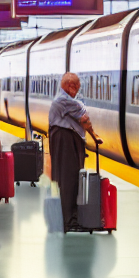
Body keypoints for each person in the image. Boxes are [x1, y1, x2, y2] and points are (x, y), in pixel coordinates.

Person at [48, 72, 98, 230]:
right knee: (70, 181)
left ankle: (68, 218)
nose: (78, 91)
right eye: (77, 88)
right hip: (66, 142)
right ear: (70, 86)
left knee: (68, 180)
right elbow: (84, 119)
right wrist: (95, 136)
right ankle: (69, 221)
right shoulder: (65, 100)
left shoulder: (62, 99)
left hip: (65, 140)